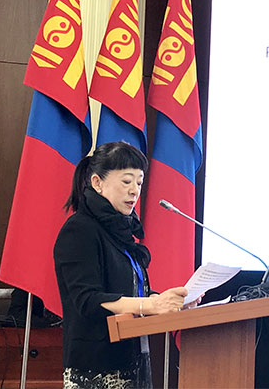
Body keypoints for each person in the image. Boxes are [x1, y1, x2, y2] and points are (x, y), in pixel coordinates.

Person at [53, 141, 190, 388]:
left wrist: (171, 302)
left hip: (133, 360)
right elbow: (88, 300)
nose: (134, 191)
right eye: (126, 181)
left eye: (139, 183)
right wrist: (149, 304)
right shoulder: (79, 230)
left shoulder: (121, 233)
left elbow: (131, 293)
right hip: (96, 368)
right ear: (97, 182)